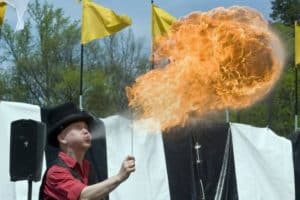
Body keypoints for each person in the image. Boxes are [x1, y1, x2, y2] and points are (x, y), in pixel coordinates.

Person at [39, 102, 135, 200]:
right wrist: (119, 177)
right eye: (78, 127)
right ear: (62, 138)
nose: (86, 131)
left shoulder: (88, 168)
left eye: (86, 128)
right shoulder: (55, 173)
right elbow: (83, 196)